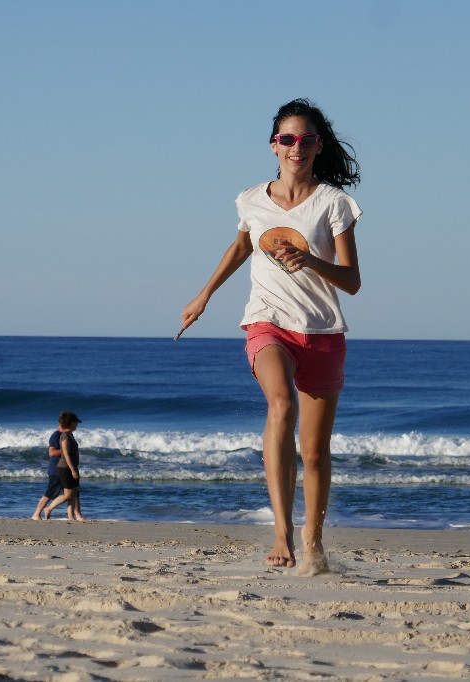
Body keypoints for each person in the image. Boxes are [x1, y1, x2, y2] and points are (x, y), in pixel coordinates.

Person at [180, 98, 361, 574]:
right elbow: (242, 245)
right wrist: (204, 295)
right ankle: (282, 531)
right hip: (267, 322)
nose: (296, 147)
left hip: (322, 331)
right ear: (273, 146)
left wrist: (313, 262)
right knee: (281, 403)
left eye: (306, 139)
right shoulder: (251, 199)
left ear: (318, 146)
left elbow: (352, 280)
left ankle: (313, 543)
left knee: (315, 454)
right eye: (287, 139)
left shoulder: (334, 203)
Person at [42, 411, 85, 521]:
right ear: (71, 423)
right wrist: (72, 469)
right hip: (65, 468)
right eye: (76, 422)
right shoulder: (65, 435)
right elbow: (65, 454)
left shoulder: (70, 435)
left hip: (71, 467)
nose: (77, 425)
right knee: (68, 495)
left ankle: (71, 517)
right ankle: (48, 509)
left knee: (74, 493)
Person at [30, 413, 71, 520]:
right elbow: (52, 452)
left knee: (70, 494)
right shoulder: (56, 435)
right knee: (50, 493)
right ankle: (36, 514)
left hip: (63, 469)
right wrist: (66, 451)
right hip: (56, 469)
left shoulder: (66, 435)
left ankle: (71, 516)